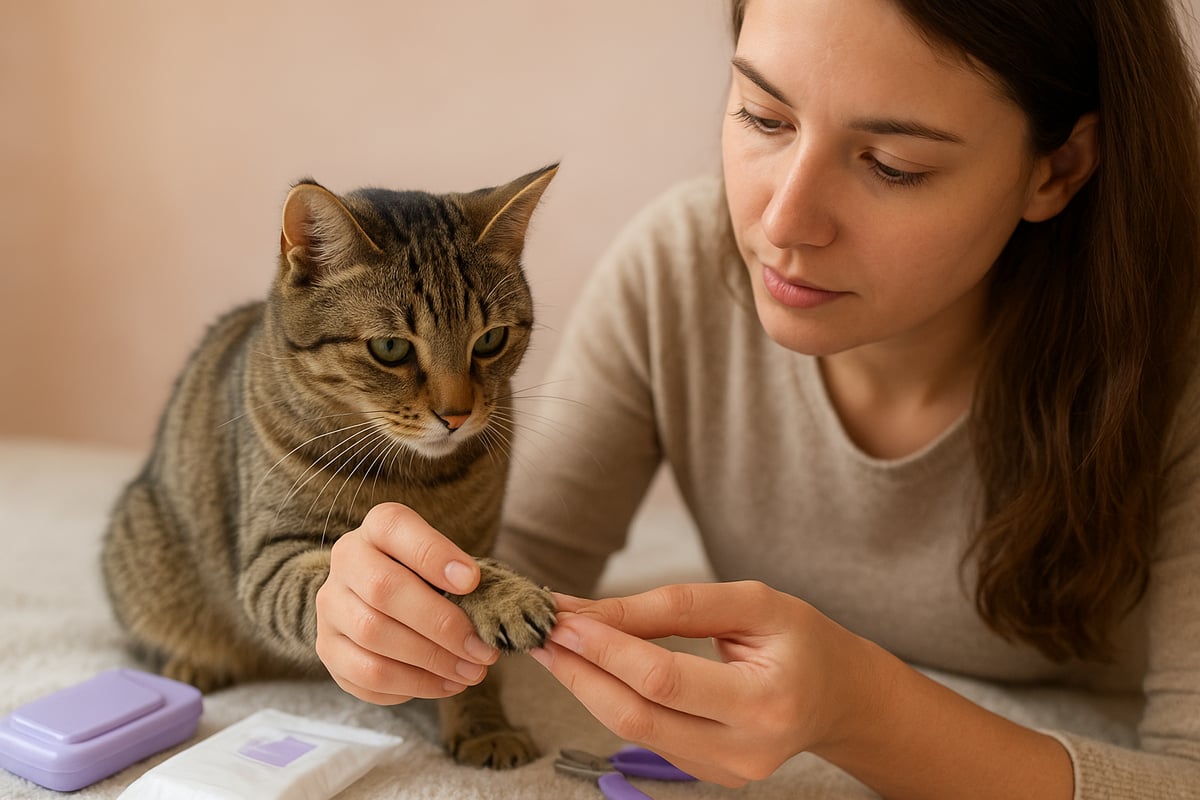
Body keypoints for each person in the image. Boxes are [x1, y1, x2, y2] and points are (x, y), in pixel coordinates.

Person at [313, 0, 1200, 796]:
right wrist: (394, 616)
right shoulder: (677, 270)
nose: (781, 223)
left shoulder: (1180, 360)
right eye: (762, 115)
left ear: (1059, 168)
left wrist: (863, 715)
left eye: (891, 165)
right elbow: (522, 571)